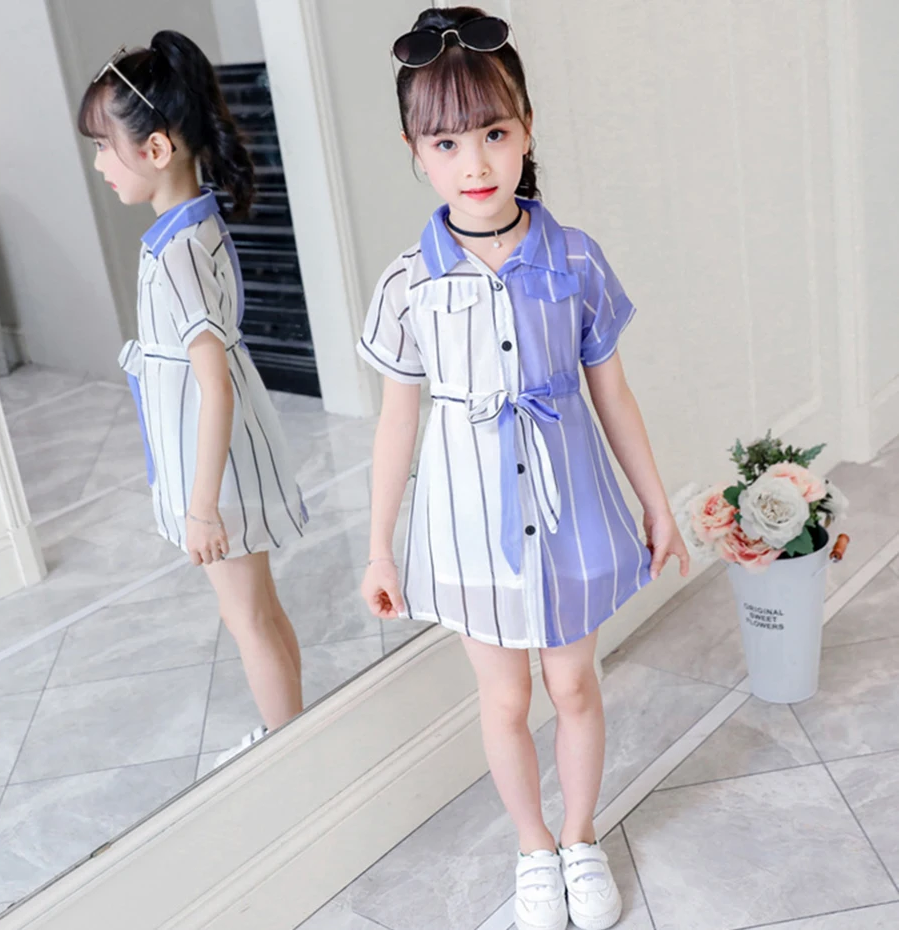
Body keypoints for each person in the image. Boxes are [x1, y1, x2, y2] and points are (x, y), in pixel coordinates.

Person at [358, 8, 689, 929]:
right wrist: (380, 548)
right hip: (469, 524)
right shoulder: (408, 285)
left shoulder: (575, 258)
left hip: (571, 506)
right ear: (416, 152)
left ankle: (580, 837)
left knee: (573, 684)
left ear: (527, 128)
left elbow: (613, 394)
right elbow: (396, 422)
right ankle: (533, 846)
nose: (475, 162)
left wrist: (658, 506)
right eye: (447, 142)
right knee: (503, 698)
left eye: (494, 133)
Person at [78, 31, 308, 768]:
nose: (98, 163)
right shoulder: (194, 225)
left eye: (104, 147)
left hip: (215, 466)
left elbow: (212, 384)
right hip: (221, 455)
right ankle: (298, 735)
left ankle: (290, 754)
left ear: (155, 149)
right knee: (259, 609)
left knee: (246, 617)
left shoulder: (177, 253)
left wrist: (202, 505)